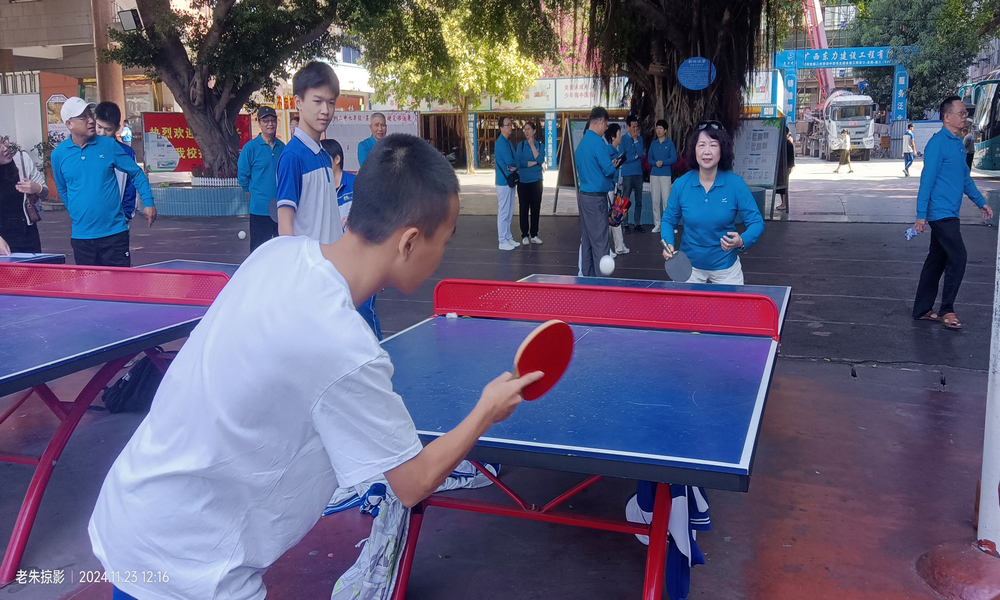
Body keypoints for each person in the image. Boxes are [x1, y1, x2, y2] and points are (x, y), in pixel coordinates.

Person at [88, 133, 544, 600]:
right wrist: (487, 409)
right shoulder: (344, 347)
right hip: (192, 568)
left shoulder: (276, 255)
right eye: (444, 241)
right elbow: (413, 483)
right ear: (409, 242)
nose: (442, 252)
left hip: (131, 517)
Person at [911, 96, 993, 330]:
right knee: (958, 256)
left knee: (936, 260)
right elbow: (927, 180)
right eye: (961, 113)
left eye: (965, 113)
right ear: (947, 117)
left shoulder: (958, 143)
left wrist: (981, 202)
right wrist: (920, 214)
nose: (964, 116)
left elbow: (965, 179)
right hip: (940, 213)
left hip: (950, 212)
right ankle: (947, 309)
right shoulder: (938, 144)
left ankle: (922, 309)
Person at [50, 97, 155, 267]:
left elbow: (136, 173)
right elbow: (63, 189)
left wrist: (148, 202)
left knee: (120, 289)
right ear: (69, 124)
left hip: (114, 235)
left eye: (90, 114)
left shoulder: (108, 145)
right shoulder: (58, 155)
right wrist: (77, 213)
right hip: (81, 238)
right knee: (89, 290)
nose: (90, 120)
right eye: (83, 117)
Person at [661, 120, 765, 285]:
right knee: (685, 311)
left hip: (726, 269)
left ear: (722, 149)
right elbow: (668, 220)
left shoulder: (736, 184)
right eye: (701, 145)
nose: (707, 152)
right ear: (694, 149)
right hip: (689, 268)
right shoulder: (681, 184)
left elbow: (757, 223)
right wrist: (668, 244)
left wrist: (742, 240)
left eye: (713, 145)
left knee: (732, 312)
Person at [275, 62, 342, 245]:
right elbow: (285, 226)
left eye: (331, 103)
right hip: (311, 269)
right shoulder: (292, 157)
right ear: (298, 102)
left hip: (332, 266)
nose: (325, 111)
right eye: (317, 101)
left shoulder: (324, 156)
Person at [322, 137, 382, 340]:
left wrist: (356, 218)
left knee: (364, 310)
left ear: (336, 159)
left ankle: (380, 349)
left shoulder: (356, 184)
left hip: (362, 258)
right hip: (334, 260)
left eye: (324, 158)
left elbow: (374, 212)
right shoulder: (321, 188)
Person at [575, 107, 620, 276]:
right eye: (606, 124)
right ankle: (602, 281)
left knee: (587, 240)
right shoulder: (598, 143)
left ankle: (587, 278)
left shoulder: (583, 142)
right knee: (601, 241)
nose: (606, 128)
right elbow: (609, 170)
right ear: (601, 121)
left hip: (583, 196)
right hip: (596, 199)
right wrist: (613, 166)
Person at [238, 106, 285, 251]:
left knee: (281, 248)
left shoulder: (282, 147)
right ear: (259, 122)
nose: (270, 124)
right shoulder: (250, 148)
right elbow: (243, 176)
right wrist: (251, 193)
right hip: (259, 210)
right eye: (265, 121)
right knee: (258, 250)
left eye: (272, 120)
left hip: (280, 209)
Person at [0, 135, 47, 253]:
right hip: (3, 236)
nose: (5, 147)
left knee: (33, 270)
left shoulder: (22, 159)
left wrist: (37, 188)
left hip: (27, 231)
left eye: (3, 142)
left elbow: (45, 192)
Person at [95, 102, 139, 223]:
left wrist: (125, 216)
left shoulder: (126, 153)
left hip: (118, 223)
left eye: (108, 129)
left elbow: (132, 188)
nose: (102, 133)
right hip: (90, 223)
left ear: (117, 128)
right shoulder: (86, 150)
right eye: (99, 127)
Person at [516, 121, 545, 245]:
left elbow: (540, 159)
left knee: (535, 209)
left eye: (528, 129)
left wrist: (532, 146)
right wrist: (534, 163)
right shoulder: (521, 146)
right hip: (523, 182)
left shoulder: (539, 145)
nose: (526, 131)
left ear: (534, 131)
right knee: (523, 209)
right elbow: (519, 163)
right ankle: (524, 235)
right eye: (525, 129)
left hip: (536, 182)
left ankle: (534, 234)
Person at [647, 119, 677, 233]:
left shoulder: (669, 144)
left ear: (665, 130)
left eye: (660, 128)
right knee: (655, 200)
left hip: (665, 175)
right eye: (657, 128)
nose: (658, 130)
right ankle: (657, 224)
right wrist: (655, 163)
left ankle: (668, 224)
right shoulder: (653, 144)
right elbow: (649, 159)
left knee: (666, 200)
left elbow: (673, 158)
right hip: (654, 174)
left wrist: (663, 162)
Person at [604, 123, 629, 256]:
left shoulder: (617, 152)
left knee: (616, 216)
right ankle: (607, 248)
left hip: (614, 188)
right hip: (608, 189)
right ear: (613, 137)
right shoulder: (608, 152)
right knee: (608, 219)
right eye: (619, 134)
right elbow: (607, 171)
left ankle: (619, 246)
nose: (621, 136)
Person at [494, 116, 519, 250]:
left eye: (511, 124)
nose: (510, 127)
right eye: (508, 125)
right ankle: (502, 240)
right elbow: (511, 161)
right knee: (504, 211)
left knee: (509, 211)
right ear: (501, 128)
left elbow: (515, 159)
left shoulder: (508, 143)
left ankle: (508, 237)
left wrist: (514, 165)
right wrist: (514, 165)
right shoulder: (501, 143)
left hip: (509, 181)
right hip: (503, 182)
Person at [620, 115, 645, 232]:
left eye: (637, 127)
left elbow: (641, 153)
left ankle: (637, 223)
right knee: (625, 199)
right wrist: (635, 156)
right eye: (633, 127)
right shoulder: (623, 139)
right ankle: (625, 223)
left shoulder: (639, 139)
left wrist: (635, 141)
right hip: (627, 174)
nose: (635, 129)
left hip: (638, 173)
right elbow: (624, 158)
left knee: (639, 200)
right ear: (628, 127)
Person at [775, 132, 795, 210]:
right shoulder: (781, 143)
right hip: (781, 167)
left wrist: (790, 167)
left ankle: (784, 204)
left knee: (784, 185)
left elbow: (791, 156)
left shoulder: (788, 143)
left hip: (785, 167)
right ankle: (783, 203)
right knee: (781, 185)